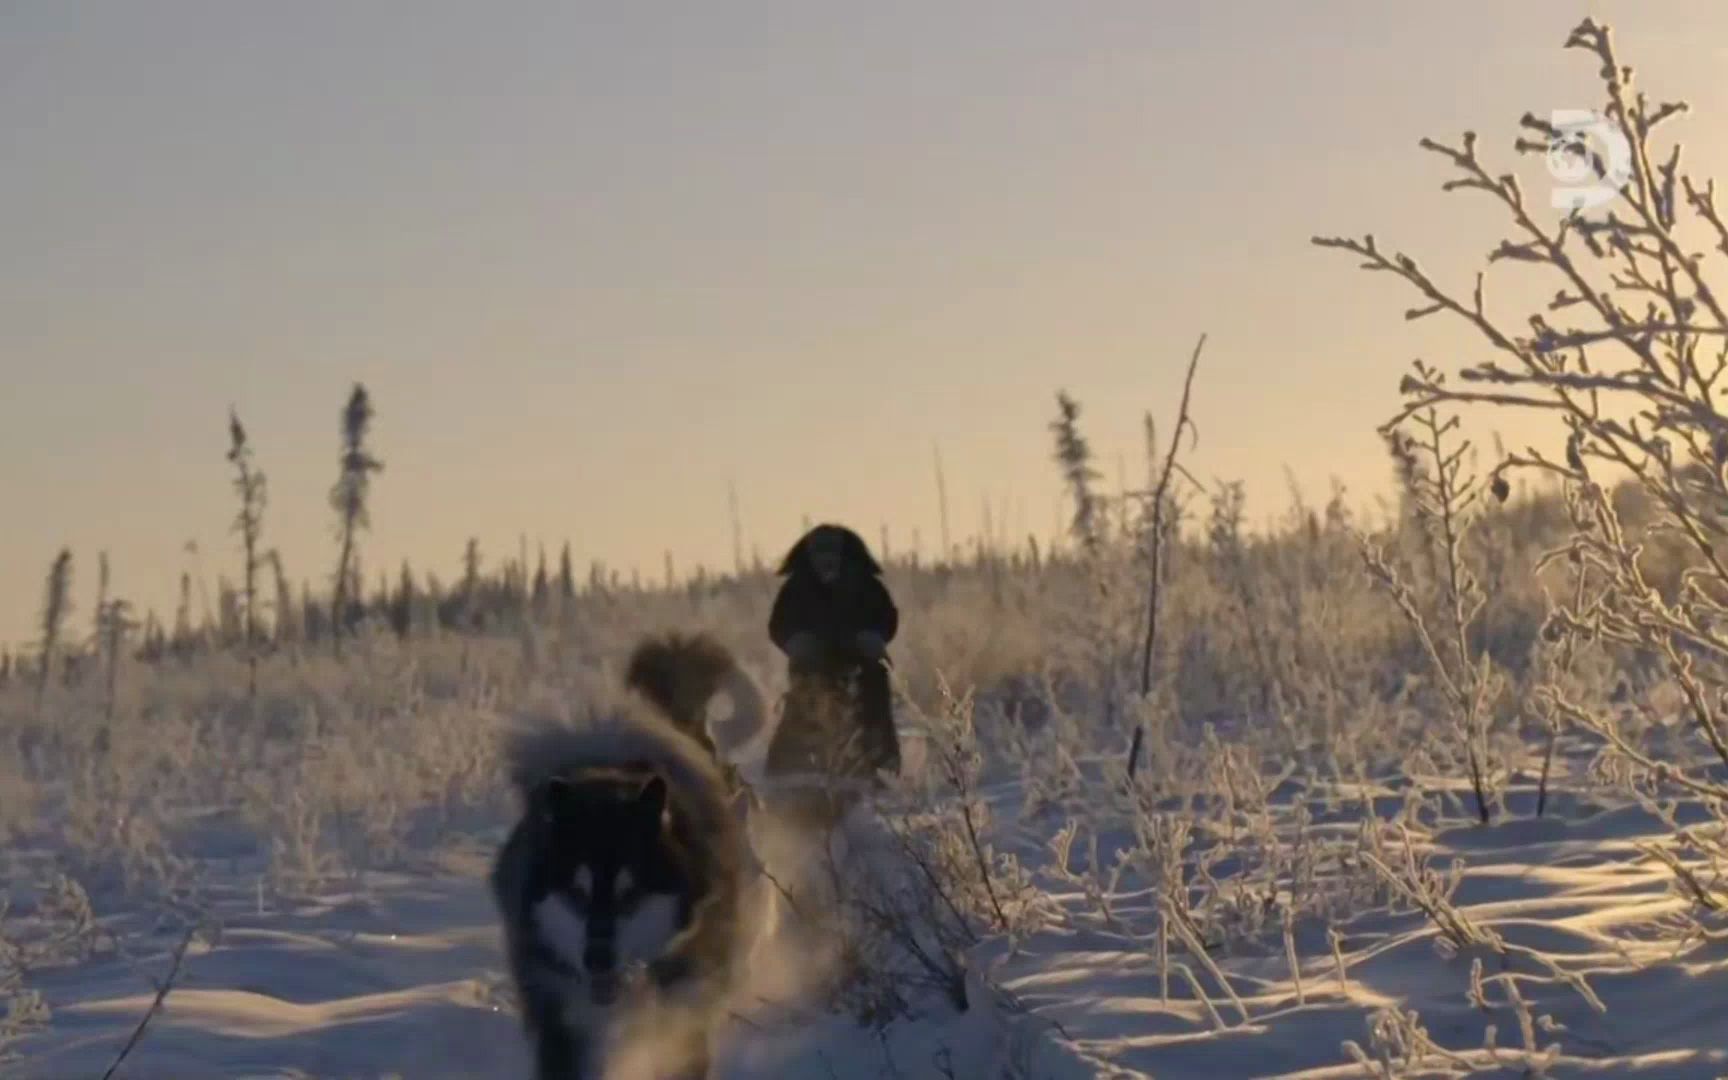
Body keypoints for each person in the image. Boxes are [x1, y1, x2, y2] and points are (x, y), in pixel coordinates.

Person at [764, 523, 901, 803]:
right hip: (813, 662)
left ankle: (880, 769)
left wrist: (874, 638)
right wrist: (796, 642)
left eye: (831, 551)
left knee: (873, 708)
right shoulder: (796, 588)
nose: (826, 559)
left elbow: (886, 617)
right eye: (819, 552)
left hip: (862, 661)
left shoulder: (866, 584)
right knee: (804, 707)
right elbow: (779, 625)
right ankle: (788, 774)